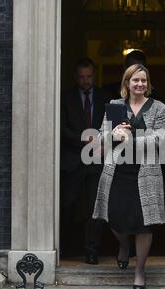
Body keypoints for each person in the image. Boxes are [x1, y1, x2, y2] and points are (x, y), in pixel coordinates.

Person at [92, 64, 165, 289]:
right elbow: (102, 135)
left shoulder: (159, 108)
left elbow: (159, 139)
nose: (140, 84)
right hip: (117, 171)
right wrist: (111, 134)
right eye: (135, 80)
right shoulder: (115, 106)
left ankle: (140, 271)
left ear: (148, 83)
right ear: (127, 83)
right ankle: (124, 245)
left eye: (143, 80)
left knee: (144, 224)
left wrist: (131, 141)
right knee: (114, 216)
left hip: (145, 173)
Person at [60, 58, 105, 265]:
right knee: (67, 205)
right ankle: (64, 247)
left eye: (89, 77)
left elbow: (114, 126)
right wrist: (83, 138)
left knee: (93, 210)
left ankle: (91, 251)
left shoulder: (105, 98)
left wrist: (102, 142)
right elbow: (61, 128)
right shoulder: (65, 98)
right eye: (81, 77)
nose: (86, 81)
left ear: (94, 75)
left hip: (96, 160)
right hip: (72, 162)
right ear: (75, 77)